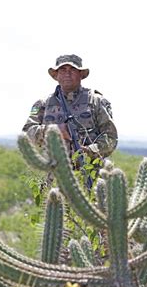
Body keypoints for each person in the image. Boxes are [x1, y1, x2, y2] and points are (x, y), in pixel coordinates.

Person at [22, 54, 118, 187]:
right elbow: (27, 133)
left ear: (80, 74)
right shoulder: (43, 104)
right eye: (63, 70)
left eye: (72, 70)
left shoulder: (96, 101)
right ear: (56, 75)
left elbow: (111, 138)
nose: (67, 74)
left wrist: (88, 151)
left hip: (92, 176)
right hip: (55, 178)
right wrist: (55, 131)